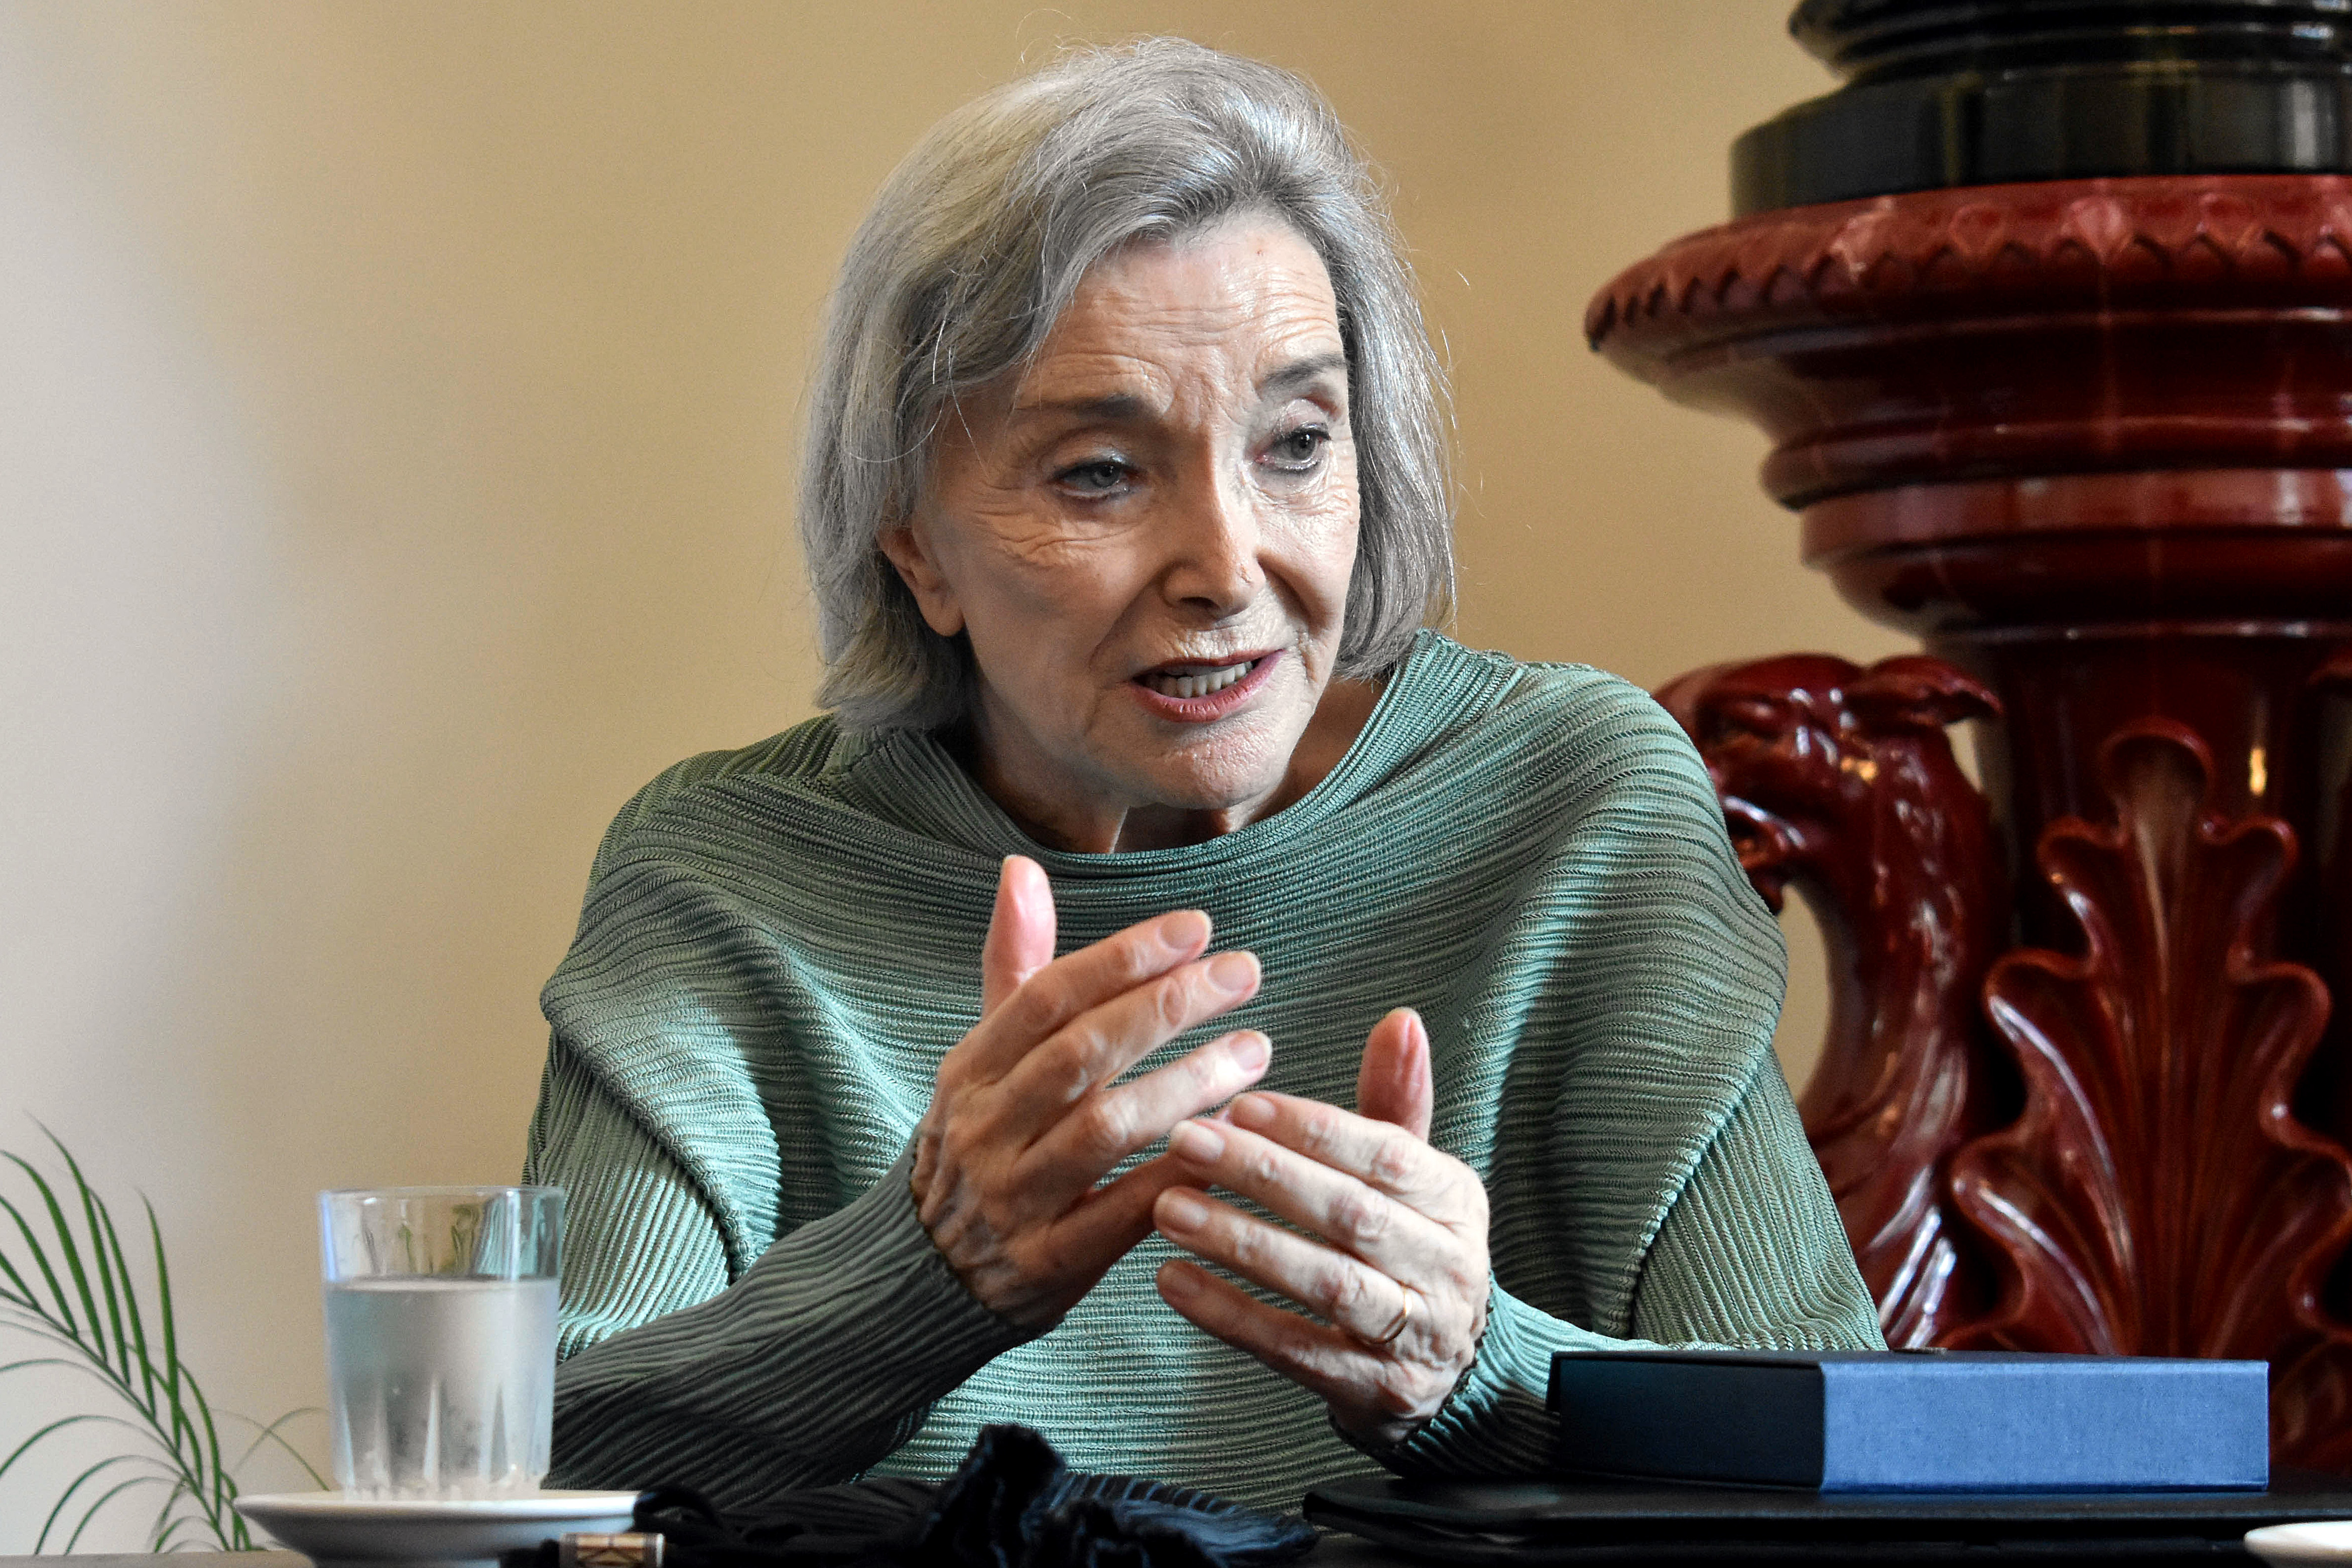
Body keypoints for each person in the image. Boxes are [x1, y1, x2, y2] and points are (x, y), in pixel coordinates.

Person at [523, 37, 1881, 1517]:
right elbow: (535, 1463)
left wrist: (1471, 1369)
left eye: (1295, 443)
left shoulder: (1576, 808)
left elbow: (1851, 1457)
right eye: (1099, 473)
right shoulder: (727, 876)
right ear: (913, 543)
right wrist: (922, 1273)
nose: (1227, 568)